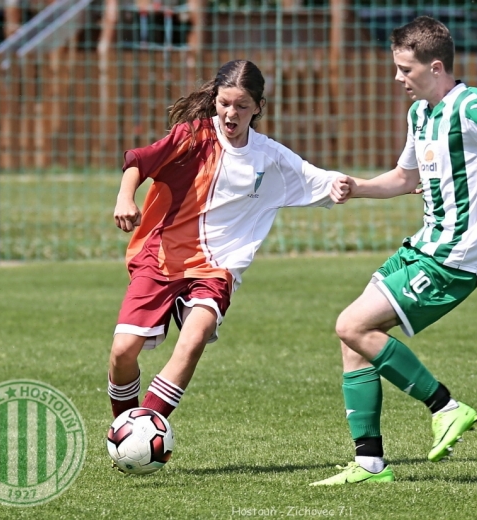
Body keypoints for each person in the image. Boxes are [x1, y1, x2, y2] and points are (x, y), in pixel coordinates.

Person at [310, 16, 477, 486]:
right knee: (353, 339)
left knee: (350, 325)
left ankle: (445, 406)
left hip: (453, 257)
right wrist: (358, 188)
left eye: (404, 69)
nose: (397, 78)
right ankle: (369, 464)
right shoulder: (419, 115)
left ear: (434, 67)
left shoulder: (472, 107)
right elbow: (405, 178)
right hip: (423, 246)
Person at [107, 60, 349, 442]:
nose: (230, 113)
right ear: (214, 100)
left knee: (196, 333)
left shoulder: (269, 157)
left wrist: (398, 185)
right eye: (224, 103)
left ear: (258, 107)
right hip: (162, 256)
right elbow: (139, 161)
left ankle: (142, 432)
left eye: (240, 106)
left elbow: (328, 181)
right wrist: (125, 198)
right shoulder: (192, 137)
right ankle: (122, 426)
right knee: (122, 353)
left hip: (217, 268)